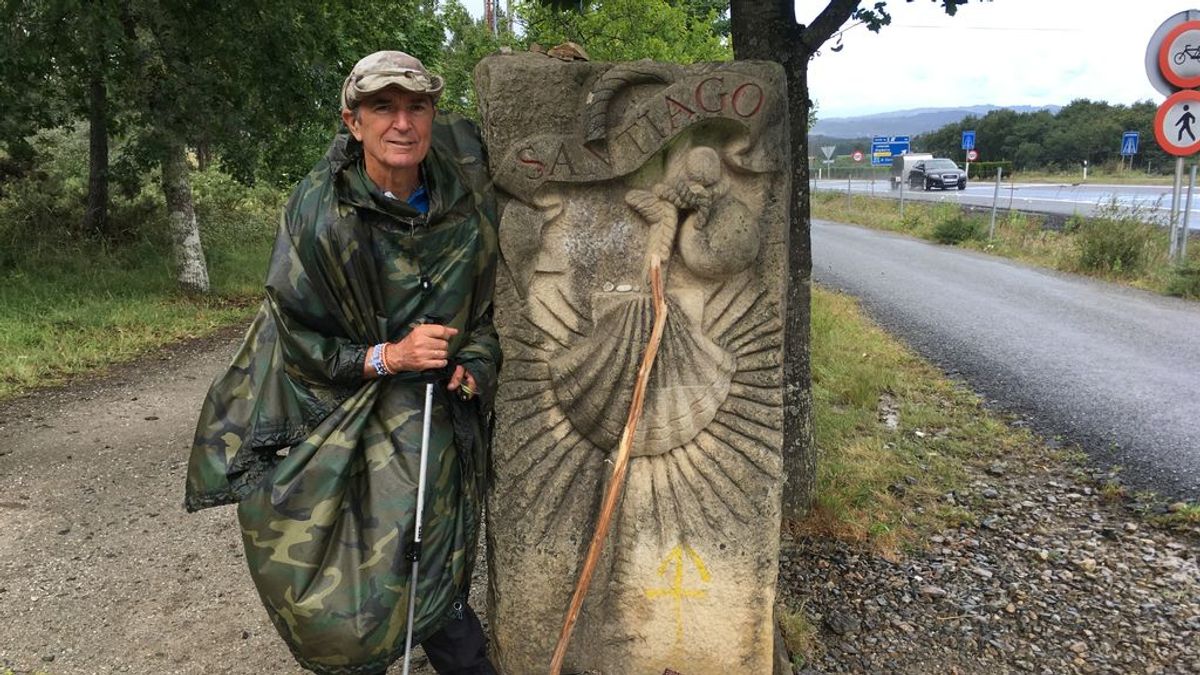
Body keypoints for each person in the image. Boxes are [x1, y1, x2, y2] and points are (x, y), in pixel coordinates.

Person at [184, 50, 501, 675]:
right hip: (341, 413)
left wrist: (477, 362)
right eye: (382, 108)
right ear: (353, 122)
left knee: (434, 562)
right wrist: (390, 356)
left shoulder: (465, 178)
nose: (402, 124)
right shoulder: (320, 216)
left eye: (417, 107)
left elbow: (489, 313)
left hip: (440, 416)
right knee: (352, 579)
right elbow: (297, 341)